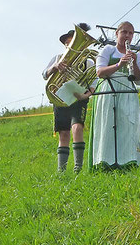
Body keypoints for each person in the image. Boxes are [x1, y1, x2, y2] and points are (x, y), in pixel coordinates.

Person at [89, 21, 140, 170]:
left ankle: (127, 161)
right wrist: (119, 64)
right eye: (124, 32)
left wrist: (135, 63)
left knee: (127, 125)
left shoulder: (136, 55)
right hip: (109, 91)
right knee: (107, 124)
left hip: (127, 92)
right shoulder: (108, 50)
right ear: (117, 33)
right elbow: (99, 72)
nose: (127, 35)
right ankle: (105, 162)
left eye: (130, 33)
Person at [42, 23, 95, 173]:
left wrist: (84, 95)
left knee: (77, 128)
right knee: (63, 133)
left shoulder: (89, 61)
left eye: (71, 42)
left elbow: (93, 84)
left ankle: (78, 168)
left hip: (79, 99)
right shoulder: (58, 58)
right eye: (67, 43)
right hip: (61, 99)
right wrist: (55, 67)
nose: (68, 45)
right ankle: (62, 171)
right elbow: (44, 75)